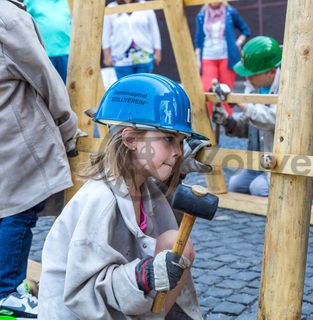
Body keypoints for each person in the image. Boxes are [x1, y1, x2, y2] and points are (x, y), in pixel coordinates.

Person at [38, 74, 210, 319]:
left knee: (177, 243)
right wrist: (145, 274)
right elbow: (83, 293)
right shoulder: (99, 200)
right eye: (169, 139)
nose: (177, 152)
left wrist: (178, 170)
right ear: (129, 139)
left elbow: (161, 227)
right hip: (81, 313)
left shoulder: (145, 188)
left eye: (181, 142)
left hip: (121, 306)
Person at [0, 0, 79, 318]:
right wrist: (68, 126)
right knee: (21, 208)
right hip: (15, 124)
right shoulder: (8, 16)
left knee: (6, 206)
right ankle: (6, 292)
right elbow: (45, 76)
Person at [214, 36, 313, 196]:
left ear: (271, 71)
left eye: (251, 74)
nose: (247, 77)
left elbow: (273, 120)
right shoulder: (254, 87)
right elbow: (248, 127)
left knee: (258, 189)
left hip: (291, 160)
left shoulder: (290, 87)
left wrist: (241, 103)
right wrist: (227, 121)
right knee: (236, 185)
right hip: (263, 159)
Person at [195, 1, 250, 116]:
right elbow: (198, 39)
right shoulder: (201, 15)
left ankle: (229, 122)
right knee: (206, 90)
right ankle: (206, 123)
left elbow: (245, 30)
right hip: (208, 57)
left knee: (226, 90)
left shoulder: (230, 12)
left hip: (226, 57)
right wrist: (197, 58)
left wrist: (237, 43)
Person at [102, 0, 162, 80]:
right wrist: (106, 55)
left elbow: (154, 31)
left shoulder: (145, 5)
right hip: (120, 57)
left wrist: (158, 51)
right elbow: (105, 33)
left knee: (144, 86)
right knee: (125, 88)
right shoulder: (111, 8)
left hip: (144, 55)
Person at [24, 0, 72, 83]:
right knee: (49, 88)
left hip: (67, 53)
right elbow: (23, 23)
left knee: (70, 89)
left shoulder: (69, 2)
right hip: (44, 55)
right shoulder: (31, 1)